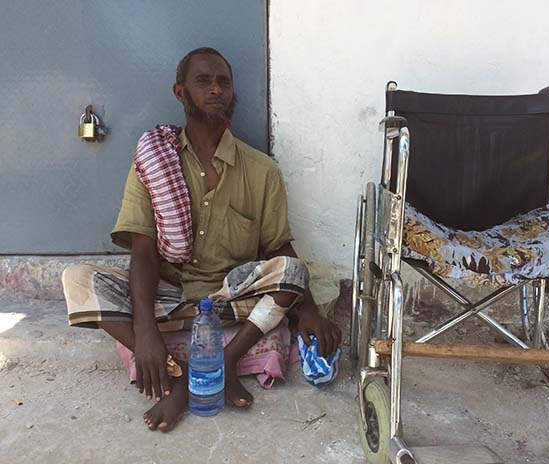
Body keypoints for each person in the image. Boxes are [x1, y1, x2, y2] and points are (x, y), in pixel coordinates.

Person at [61, 47, 341, 432]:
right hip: (171, 300)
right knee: (76, 279)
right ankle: (180, 378)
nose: (215, 90)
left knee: (294, 270)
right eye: (203, 81)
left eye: (223, 82)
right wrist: (146, 333)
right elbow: (142, 248)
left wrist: (308, 310)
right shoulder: (155, 160)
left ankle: (225, 363)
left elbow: (279, 249)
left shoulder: (263, 171)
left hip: (232, 301)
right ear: (181, 93)